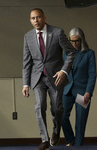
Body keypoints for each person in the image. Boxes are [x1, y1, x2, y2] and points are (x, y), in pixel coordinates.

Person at [22, 8, 75, 150]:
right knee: (39, 107)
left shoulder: (57, 32)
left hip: (56, 77)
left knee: (57, 108)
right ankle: (44, 140)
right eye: (33, 18)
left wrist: (64, 71)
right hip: (37, 79)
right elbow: (26, 62)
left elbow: (71, 52)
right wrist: (25, 84)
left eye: (38, 17)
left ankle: (56, 132)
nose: (36, 20)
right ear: (30, 20)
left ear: (44, 18)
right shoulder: (28, 37)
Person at [62, 27, 97, 146]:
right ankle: (70, 139)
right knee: (61, 116)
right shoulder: (66, 54)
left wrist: (88, 92)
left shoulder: (89, 53)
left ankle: (78, 146)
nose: (74, 44)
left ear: (81, 40)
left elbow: (92, 74)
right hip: (67, 91)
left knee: (80, 122)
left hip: (82, 92)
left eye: (76, 41)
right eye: (71, 41)